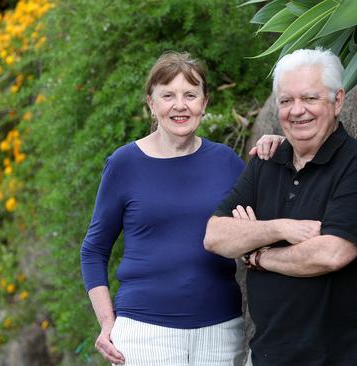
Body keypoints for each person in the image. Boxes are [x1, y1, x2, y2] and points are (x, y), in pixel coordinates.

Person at [80, 51, 283, 366]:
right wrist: (107, 322)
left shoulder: (227, 162)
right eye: (168, 95)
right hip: (144, 332)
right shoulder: (124, 164)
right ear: (152, 104)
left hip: (221, 330)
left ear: (204, 103)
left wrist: (278, 150)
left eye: (190, 95)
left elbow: (259, 229)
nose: (180, 105)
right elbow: (93, 251)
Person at [204, 48, 357, 366]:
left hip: (342, 355)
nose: (297, 111)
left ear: (337, 101)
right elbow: (214, 236)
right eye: (286, 101)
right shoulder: (265, 162)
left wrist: (258, 254)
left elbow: (331, 253)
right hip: (268, 353)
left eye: (309, 98)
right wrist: (279, 228)